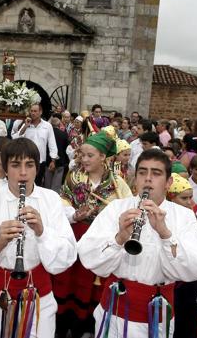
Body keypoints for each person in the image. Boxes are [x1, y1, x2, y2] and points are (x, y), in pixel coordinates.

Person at [78, 149, 197, 337]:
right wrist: (120, 238)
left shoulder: (184, 216)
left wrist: (165, 234)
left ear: (168, 182)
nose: (148, 179)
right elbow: (87, 255)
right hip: (113, 315)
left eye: (156, 174)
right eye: (142, 172)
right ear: (136, 179)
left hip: (155, 316)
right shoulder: (117, 208)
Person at [0, 137, 77, 338]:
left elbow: (67, 256)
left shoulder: (50, 199)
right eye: (15, 165)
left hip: (40, 297)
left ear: (37, 168)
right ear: (5, 169)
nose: (23, 173)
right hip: (0, 297)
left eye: (29, 165)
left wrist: (42, 232)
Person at [54, 130, 132, 338]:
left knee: (92, 281)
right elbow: (62, 202)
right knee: (68, 279)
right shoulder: (74, 177)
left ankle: (86, 326)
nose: (84, 159)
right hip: (76, 235)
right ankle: (63, 324)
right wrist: (74, 214)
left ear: (103, 157)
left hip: (101, 242)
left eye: (90, 155)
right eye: (82, 155)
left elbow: (128, 209)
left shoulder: (118, 183)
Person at [165, 174, 197, 338]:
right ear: (170, 198)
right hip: (172, 282)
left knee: (188, 319)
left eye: (191, 197)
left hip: (190, 282)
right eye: (184, 198)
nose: (190, 202)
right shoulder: (161, 219)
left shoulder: (190, 216)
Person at [12, 103, 59, 186]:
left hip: (40, 161)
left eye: (35, 111)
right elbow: (15, 139)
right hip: (25, 160)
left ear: (40, 112)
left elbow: (52, 143)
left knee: (38, 184)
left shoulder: (47, 126)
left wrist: (53, 160)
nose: (33, 113)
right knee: (25, 183)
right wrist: (25, 126)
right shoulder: (25, 125)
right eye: (31, 111)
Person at [44, 117, 69, 193]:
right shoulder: (64, 134)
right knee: (56, 185)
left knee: (47, 184)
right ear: (59, 124)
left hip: (48, 161)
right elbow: (66, 149)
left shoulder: (46, 134)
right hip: (60, 161)